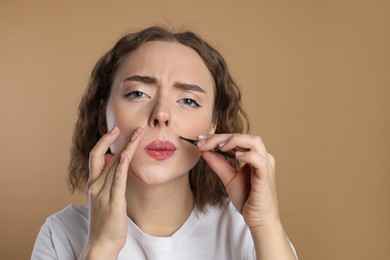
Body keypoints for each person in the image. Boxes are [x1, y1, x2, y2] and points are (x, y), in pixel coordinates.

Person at [32, 26, 298, 260]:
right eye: (138, 93)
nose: (161, 114)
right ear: (103, 117)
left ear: (212, 126)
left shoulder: (248, 230)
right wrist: (101, 247)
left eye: (188, 100)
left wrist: (265, 224)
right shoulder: (61, 234)